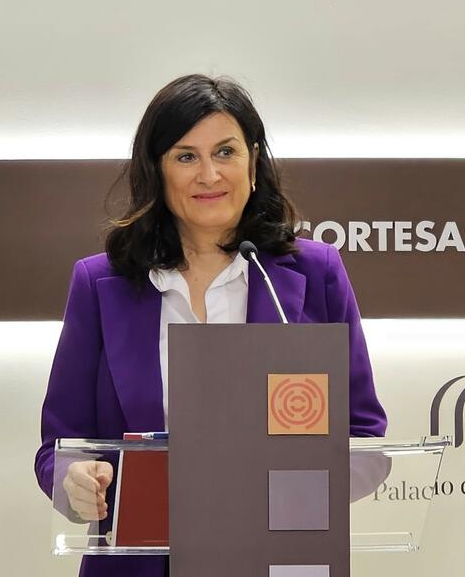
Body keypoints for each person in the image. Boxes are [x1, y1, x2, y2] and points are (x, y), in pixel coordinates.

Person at [34, 74, 387, 577]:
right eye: (186, 156)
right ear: (157, 170)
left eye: (225, 151)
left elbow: (364, 439)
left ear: (253, 161)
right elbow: (59, 447)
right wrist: (75, 481)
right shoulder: (100, 284)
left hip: (280, 559)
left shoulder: (316, 273)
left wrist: (297, 494)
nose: (209, 175)